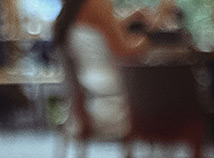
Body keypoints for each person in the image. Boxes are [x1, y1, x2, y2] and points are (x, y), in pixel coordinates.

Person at [53, 0, 154, 139]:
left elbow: (99, 27)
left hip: (86, 101)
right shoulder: (98, 3)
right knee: (177, 99)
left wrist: (129, 18)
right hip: (110, 101)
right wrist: (147, 39)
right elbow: (124, 51)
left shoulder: (72, 10)